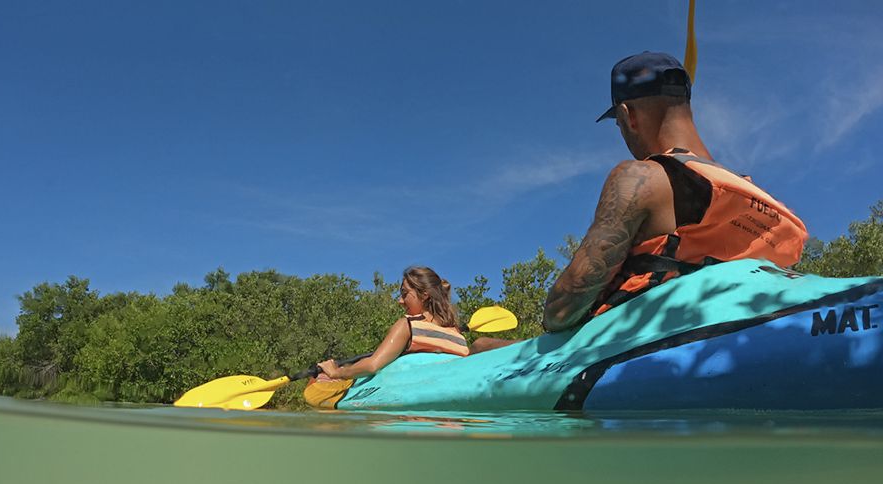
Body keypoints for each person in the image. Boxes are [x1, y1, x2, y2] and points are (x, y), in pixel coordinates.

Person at [472, 51, 808, 352]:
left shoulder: (642, 178)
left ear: (627, 115)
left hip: (634, 346)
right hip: (742, 334)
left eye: (619, 124)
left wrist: (554, 313)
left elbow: (563, 308)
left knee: (482, 345)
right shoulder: (754, 196)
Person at [315, 266, 469, 380]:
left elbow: (372, 365)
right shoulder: (455, 332)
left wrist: (336, 372)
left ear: (424, 295)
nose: (400, 301)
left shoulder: (407, 325)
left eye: (404, 293)